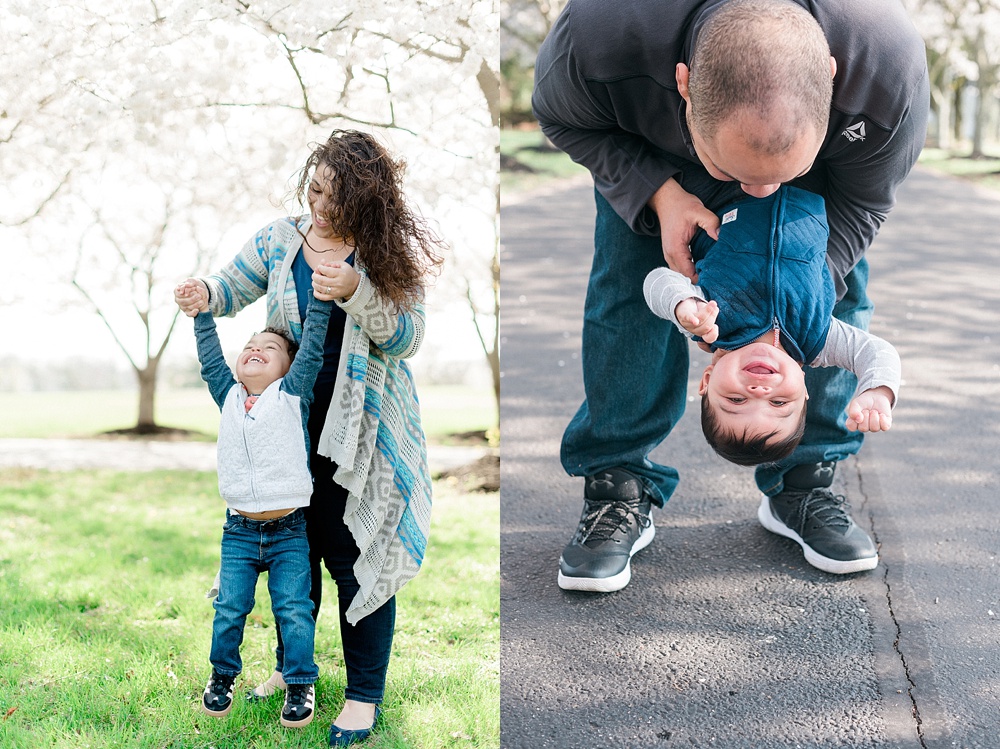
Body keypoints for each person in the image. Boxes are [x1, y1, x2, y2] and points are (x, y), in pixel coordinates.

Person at [531, 0, 928, 592]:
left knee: (844, 291)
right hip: (656, 149)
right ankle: (617, 482)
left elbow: (865, 202)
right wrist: (657, 194)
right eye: (771, 404)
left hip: (817, 190)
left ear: (832, 74)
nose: (760, 188)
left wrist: (816, 277)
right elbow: (565, 120)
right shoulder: (598, 38)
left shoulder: (888, 70)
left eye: (740, 402)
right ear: (683, 84)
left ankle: (805, 481)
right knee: (626, 283)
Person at [175, 129, 443, 747]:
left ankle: (363, 696)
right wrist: (203, 295)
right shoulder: (279, 238)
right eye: (316, 190)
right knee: (295, 554)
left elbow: (407, 338)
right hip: (286, 436)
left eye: (337, 197)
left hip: (363, 436)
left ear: (367, 201)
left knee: (356, 561)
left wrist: (356, 292)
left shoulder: (383, 252)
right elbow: (231, 287)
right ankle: (291, 671)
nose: (322, 206)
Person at [643, 184, 899, 472]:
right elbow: (875, 352)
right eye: (778, 402)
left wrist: (682, 305)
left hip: (726, 183)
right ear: (803, 391)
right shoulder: (817, 338)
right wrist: (878, 391)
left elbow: (658, 281)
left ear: (707, 380)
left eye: (736, 399)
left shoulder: (709, 323)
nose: (759, 390)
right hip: (812, 184)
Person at [187, 292, 331, 728]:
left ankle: (300, 680)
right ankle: (223, 675)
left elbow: (314, 346)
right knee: (231, 607)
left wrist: (322, 303)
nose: (256, 350)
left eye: (270, 349)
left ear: (289, 367)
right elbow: (210, 357)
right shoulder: (227, 395)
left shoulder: (292, 394)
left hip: (289, 532)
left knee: (293, 608)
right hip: (239, 532)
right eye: (250, 345)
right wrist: (201, 315)